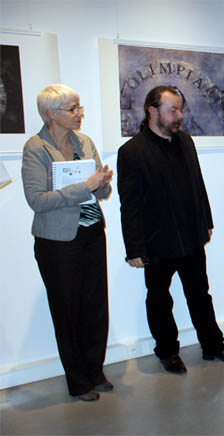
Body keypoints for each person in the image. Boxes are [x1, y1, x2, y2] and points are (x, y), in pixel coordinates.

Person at [117, 86, 224, 374]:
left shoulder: (185, 142)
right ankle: (167, 351)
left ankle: (213, 345)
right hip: (156, 241)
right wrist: (134, 249)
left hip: (190, 236)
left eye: (180, 109)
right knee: (159, 299)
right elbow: (130, 205)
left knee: (200, 294)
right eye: (172, 110)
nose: (179, 116)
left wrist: (206, 222)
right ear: (152, 111)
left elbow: (198, 186)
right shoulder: (132, 152)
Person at [21, 84, 113, 401]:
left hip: (91, 232)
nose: (79, 114)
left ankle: (95, 371)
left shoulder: (84, 142)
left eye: (79, 107)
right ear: (51, 113)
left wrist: (101, 183)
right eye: (72, 109)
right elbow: (37, 200)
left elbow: (101, 193)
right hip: (57, 241)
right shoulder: (36, 148)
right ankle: (78, 380)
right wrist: (85, 186)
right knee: (67, 310)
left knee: (95, 307)